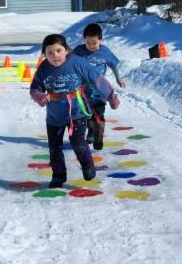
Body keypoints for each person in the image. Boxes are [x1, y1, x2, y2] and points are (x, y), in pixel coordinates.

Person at [29, 33, 120, 188]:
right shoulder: (43, 68)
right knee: (54, 147)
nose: (55, 55)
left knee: (78, 143)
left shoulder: (78, 63)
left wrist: (111, 96)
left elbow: (97, 79)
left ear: (66, 50)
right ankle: (58, 175)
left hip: (76, 112)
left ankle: (87, 165)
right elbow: (35, 88)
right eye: (49, 52)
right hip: (54, 115)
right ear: (44, 54)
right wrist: (39, 96)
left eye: (58, 50)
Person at [71, 23, 126, 150]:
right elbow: (70, 65)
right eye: (88, 42)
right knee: (87, 115)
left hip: (100, 91)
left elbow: (113, 65)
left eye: (94, 43)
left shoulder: (104, 51)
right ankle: (91, 132)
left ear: (100, 40)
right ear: (84, 40)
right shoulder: (79, 51)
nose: (91, 45)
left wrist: (118, 79)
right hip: (83, 92)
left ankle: (98, 138)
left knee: (99, 115)